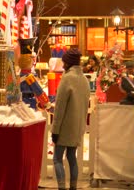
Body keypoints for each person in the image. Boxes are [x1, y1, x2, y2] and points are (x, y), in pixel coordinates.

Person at [51, 48, 90, 190]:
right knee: (72, 158)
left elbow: (60, 107)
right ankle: (73, 187)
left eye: (64, 62)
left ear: (68, 63)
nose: (63, 65)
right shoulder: (84, 79)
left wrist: (55, 130)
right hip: (77, 126)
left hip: (64, 127)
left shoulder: (67, 79)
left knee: (57, 159)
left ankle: (62, 187)